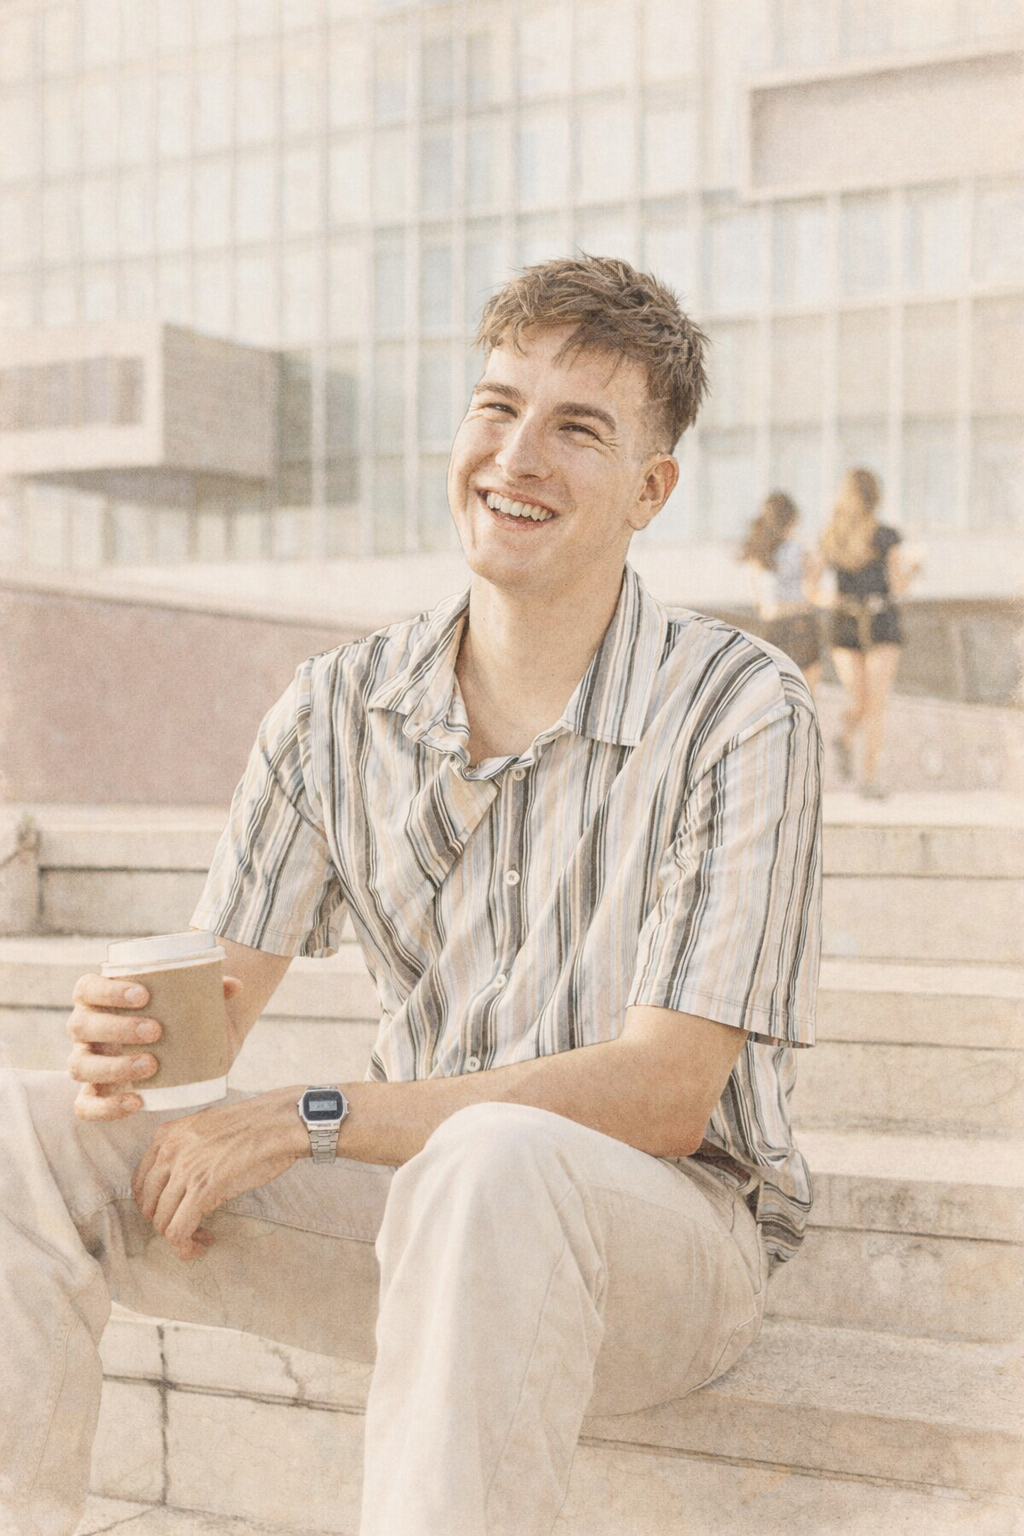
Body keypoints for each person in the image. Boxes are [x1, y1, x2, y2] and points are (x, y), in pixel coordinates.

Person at [0, 257, 822, 1536]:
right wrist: (136, 1037)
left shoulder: (739, 709)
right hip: (413, 1209)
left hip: (665, 1243)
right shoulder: (335, 706)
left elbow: (666, 1092)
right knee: (20, 1133)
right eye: (497, 407)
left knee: (490, 1159)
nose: (517, 457)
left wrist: (313, 1113)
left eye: (578, 428)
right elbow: (217, 1002)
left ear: (650, 489)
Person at [815, 467, 919, 799]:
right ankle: (861, 768)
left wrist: (828, 599)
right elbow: (899, 586)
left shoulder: (831, 536)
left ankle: (864, 769)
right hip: (878, 619)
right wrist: (915, 570)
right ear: (875, 497)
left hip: (847, 621)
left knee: (863, 702)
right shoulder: (886, 535)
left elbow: (810, 587)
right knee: (872, 704)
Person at [740, 490, 823, 695]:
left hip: (771, 625)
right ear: (792, 519)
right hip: (801, 622)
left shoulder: (755, 553)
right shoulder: (799, 550)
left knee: (775, 695)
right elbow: (812, 588)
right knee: (806, 694)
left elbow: (758, 602)